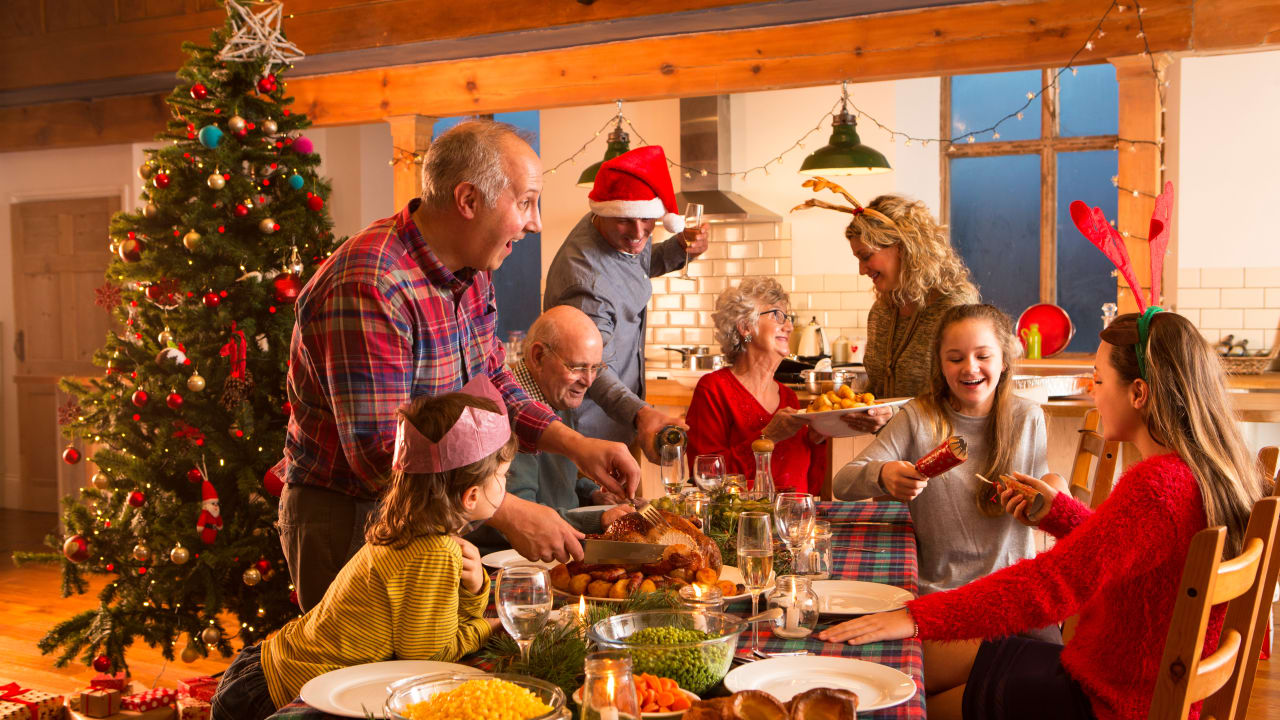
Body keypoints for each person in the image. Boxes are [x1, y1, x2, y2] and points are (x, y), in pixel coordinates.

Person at [817, 309, 1266, 720]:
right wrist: (1060, 513)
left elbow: (1050, 584)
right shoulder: (1191, 473)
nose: (1093, 391)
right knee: (907, 669)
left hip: (1102, 701)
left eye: (1098, 379)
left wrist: (917, 616)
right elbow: (1117, 550)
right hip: (1108, 677)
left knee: (906, 695)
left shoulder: (1156, 486)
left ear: (1138, 393)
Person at [276, 120, 639, 611]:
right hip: (354, 517)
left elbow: (492, 384)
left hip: (434, 507)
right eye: (526, 202)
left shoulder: (473, 271)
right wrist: (506, 510)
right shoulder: (372, 283)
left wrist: (576, 445)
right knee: (366, 661)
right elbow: (382, 455)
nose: (535, 223)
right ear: (468, 200)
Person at [212, 386, 512, 720]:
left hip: (262, 669)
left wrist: (473, 589)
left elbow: (435, 631)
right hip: (274, 695)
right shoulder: (434, 551)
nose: (506, 482)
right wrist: (488, 627)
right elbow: (431, 660)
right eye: (503, 475)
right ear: (471, 495)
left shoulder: (407, 528)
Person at [832, 305, 1055, 639]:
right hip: (941, 597)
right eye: (955, 358)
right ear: (939, 363)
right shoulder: (917, 417)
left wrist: (1049, 496)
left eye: (983, 356)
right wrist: (882, 474)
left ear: (1004, 361)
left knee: (1051, 661)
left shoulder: (1028, 418)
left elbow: (1042, 508)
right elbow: (843, 483)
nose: (970, 367)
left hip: (1011, 594)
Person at [543, 145, 709, 462]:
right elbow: (592, 369)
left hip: (621, 424)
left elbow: (633, 265)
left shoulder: (615, 228)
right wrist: (641, 414)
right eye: (625, 221)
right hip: (589, 436)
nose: (638, 232)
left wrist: (679, 248)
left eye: (647, 219)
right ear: (604, 212)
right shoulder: (586, 282)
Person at [793, 180, 978, 434]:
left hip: (945, 448)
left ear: (902, 247)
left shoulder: (954, 308)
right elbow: (878, 393)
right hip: (895, 448)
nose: (862, 270)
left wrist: (894, 415)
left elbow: (968, 399)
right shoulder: (881, 312)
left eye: (866, 256)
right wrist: (844, 413)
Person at [466, 306, 635, 555]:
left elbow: (554, 487)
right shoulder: (507, 417)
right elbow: (520, 522)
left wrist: (592, 494)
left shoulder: (557, 396)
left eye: (595, 368)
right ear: (538, 357)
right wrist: (598, 520)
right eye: (577, 367)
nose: (589, 380)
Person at [684, 278, 827, 495]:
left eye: (788, 318)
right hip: (742, 517)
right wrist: (767, 438)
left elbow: (810, 487)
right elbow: (706, 478)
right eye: (777, 315)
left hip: (792, 515)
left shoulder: (788, 397)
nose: (789, 327)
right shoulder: (714, 390)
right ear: (745, 327)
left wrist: (817, 440)